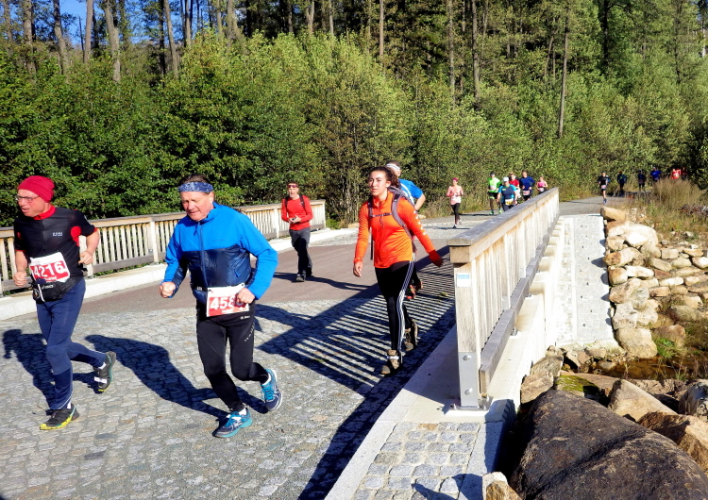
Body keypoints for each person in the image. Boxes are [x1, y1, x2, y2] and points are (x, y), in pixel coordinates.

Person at [159, 174, 281, 439]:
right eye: (184, 201)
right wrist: (170, 282)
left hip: (238, 305)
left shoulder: (234, 221)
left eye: (195, 200)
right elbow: (176, 261)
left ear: (211, 196)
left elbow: (267, 254)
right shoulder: (182, 228)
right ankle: (238, 411)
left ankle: (265, 378)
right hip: (207, 308)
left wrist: (254, 290)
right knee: (212, 368)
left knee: (241, 370)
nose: (190, 206)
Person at [12, 175, 116, 430]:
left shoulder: (69, 217)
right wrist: (20, 270)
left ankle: (64, 407)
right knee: (60, 346)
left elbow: (92, 233)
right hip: (42, 292)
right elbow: (21, 249)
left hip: (69, 289)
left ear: (44, 198)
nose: (22, 203)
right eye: (19, 197)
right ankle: (101, 360)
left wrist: (89, 251)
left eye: (28, 198)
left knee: (54, 350)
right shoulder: (21, 223)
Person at [353, 167, 443, 376]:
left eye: (378, 180)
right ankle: (410, 326)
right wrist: (358, 259)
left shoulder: (401, 204)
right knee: (392, 302)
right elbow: (363, 235)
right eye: (371, 180)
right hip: (381, 261)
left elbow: (419, 230)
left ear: (387, 183)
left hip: (403, 258)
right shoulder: (366, 207)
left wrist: (433, 255)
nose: (373, 184)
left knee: (394, 302)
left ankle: (395, 355)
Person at [385, 161, 425, 300]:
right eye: (387, 169)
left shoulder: (406, 184)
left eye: (392, 170)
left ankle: (408, 285)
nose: (390, 172)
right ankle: (414, 280)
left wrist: (414, 210)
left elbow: (421, 196)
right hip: (390, 225)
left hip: (407, 224)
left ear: (399, 172)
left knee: (405, 253)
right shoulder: (383, 186)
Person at [280, 182, 313, 282]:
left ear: (297, 189)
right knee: (299, 249)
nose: (291, 191)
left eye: (293, 189)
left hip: (304, 228)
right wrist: (288, 219)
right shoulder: (285, 201)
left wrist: (300, 219)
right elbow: (283, 215)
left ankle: (301, 273)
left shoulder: (304, 199)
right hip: (293, 229)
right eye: (290, 189)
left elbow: (310, 215)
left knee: (302, 249)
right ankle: (308, 266)